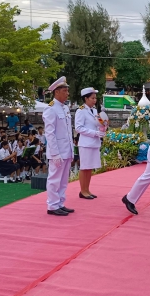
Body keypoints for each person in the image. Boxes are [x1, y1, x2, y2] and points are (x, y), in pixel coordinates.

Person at [42, 76, 75, 216]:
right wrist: (55, 153)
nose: (67, 93)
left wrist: (72, 150)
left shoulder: (65, 108)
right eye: (65, 91)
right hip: (57, 151)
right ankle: (52, 205)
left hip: (66, 150)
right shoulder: (51, 109)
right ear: (57, 92)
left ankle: (60, 203)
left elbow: (68, 132)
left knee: (63, 180)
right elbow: (50, 133)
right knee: (54, 179)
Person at [75, 87, 105, 199]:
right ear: (86, 98)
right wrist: (95, 133)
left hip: (94, 142)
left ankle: (87, 189)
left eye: (95, 98)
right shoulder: (81, 110)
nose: (94, 100)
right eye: (92, 98)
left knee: (90, 167)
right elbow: (78, 128)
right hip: (86, 143)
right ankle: (83, 191)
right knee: (85, 167)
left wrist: (103, 126)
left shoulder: (94, 110)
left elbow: (96, 123)